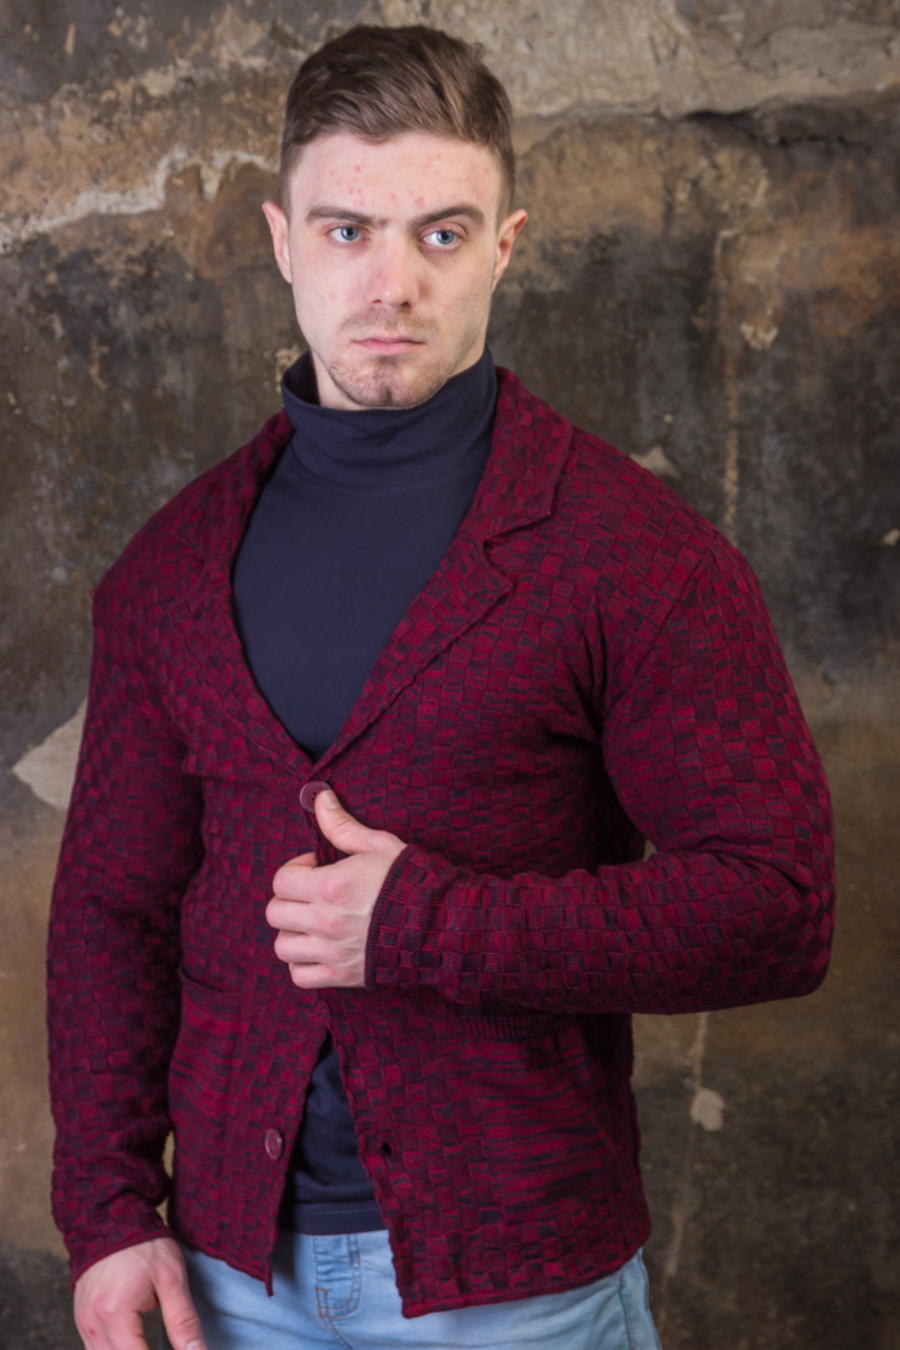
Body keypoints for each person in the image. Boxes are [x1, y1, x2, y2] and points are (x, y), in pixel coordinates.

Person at [47, 23, 835, 1350]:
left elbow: (779, 904)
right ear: (283, 239)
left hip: (521, 1291)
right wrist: (110, 1211)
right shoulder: (169, 571)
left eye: (442, 234)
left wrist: (431, 925)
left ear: (506, 245)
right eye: (348, 230)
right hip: (231, 1285)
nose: (392, 282)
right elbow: (111, 914)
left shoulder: (633, 555)